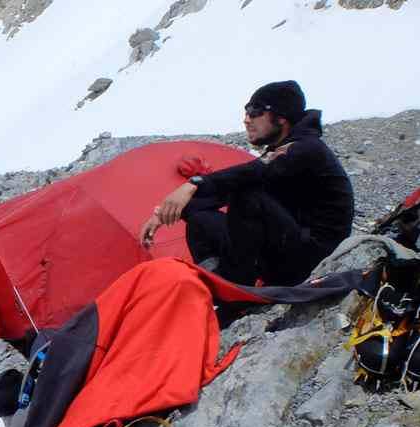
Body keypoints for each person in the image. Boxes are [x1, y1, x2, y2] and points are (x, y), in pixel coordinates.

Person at [140, 80, 354, 286]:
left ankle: (237, 287)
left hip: (313, 258)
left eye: (255, 111)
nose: (246, 119)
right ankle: (215, 280)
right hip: (285, 245)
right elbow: (228, 188)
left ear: (281, 117)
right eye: (246, 111)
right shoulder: (282, 151)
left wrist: (192, 183)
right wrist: (166, 211)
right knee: (198, 213)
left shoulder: (306, 148)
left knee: (247, 194)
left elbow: (249, 175)